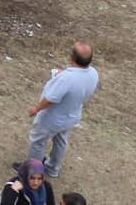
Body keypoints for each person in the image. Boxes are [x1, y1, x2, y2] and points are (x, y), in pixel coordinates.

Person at [26, 41, 98, 177]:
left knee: (38, 142)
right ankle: (53, 169)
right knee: (60, 140)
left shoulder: (66, 78)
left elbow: (51, 99)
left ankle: (33, 172)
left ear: (72, 57)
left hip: (52, 119)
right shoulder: (93, 73)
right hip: (72, 116)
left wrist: (36, 109)